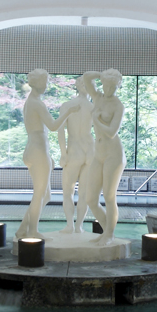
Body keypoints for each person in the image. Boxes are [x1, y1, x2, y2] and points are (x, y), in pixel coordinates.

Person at [16, 69, 69, 241]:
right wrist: (68, 113)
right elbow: (53, 126)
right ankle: (32, 231)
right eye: (45, 82)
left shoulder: (30, 102)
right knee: (39, 194)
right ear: (38, 83)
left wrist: (48, 156)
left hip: (35, 150)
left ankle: (22, 229)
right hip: (38, 151)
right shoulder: (37, 103)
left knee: (46, 195)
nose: (46, 86)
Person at [83, 68, 127, 244]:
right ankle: (107, 230)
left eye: (112, 86)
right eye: (106, 85)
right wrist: (102, 74)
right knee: (91, 199)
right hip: (99, 153)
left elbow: (111, 132)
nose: (108, 89)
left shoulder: (118, 106)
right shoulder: (98, 97)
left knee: (109, 196)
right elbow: (86, 77)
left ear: (118, 86)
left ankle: (109, 234)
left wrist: (96, 120)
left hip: (113, 154)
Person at [56, 74, 96, 233]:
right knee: (84, 193)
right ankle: (78, 226)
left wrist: (63, 153)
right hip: (90, 150)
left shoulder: (67, 105)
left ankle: (70, 225)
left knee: (68, 192)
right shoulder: (93, 107)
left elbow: (60, 131)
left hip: (74, 150)